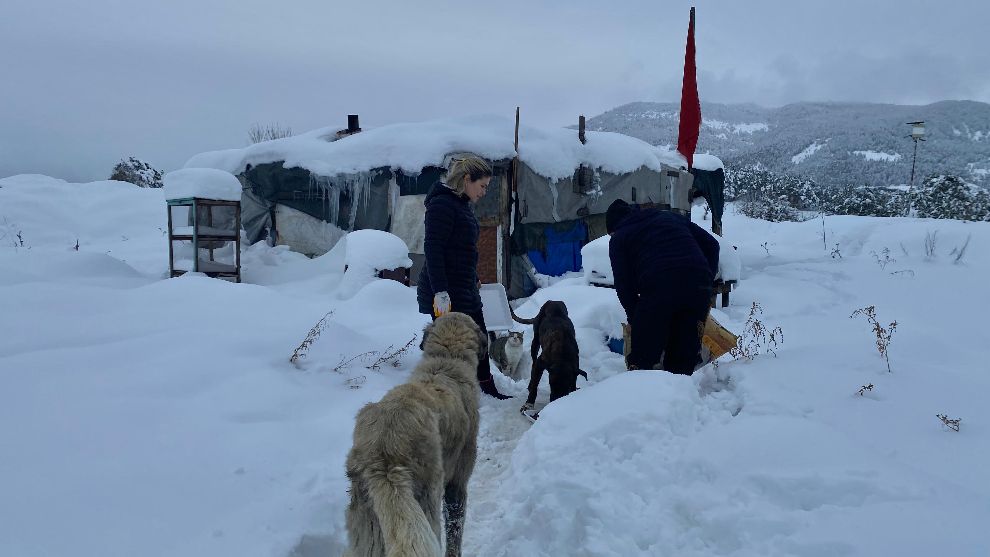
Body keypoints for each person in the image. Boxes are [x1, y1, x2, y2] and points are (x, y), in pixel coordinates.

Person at [417, 154, 511, 399]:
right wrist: (440, 291)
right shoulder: (441, 205)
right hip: (446, 289)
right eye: (482, 186)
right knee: (451, 344)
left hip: (464, 285)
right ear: (467, 179)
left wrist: (474, 276)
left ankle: (485, 386)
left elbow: (461, 249)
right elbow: (434, 248)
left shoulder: (459, 204)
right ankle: (445, 392)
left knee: (478, 338)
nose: (483, 192)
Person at [606, 199, 719, 374]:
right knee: (683, 356)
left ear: (614, 228)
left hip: (659, 286)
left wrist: (635, 320)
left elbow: (624, 286)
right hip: (698, 286)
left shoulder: (619, 238)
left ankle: (644, 393)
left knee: (644, 356)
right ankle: (679, 393)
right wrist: (705, 280)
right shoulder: (670, 217)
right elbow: (713, 245)